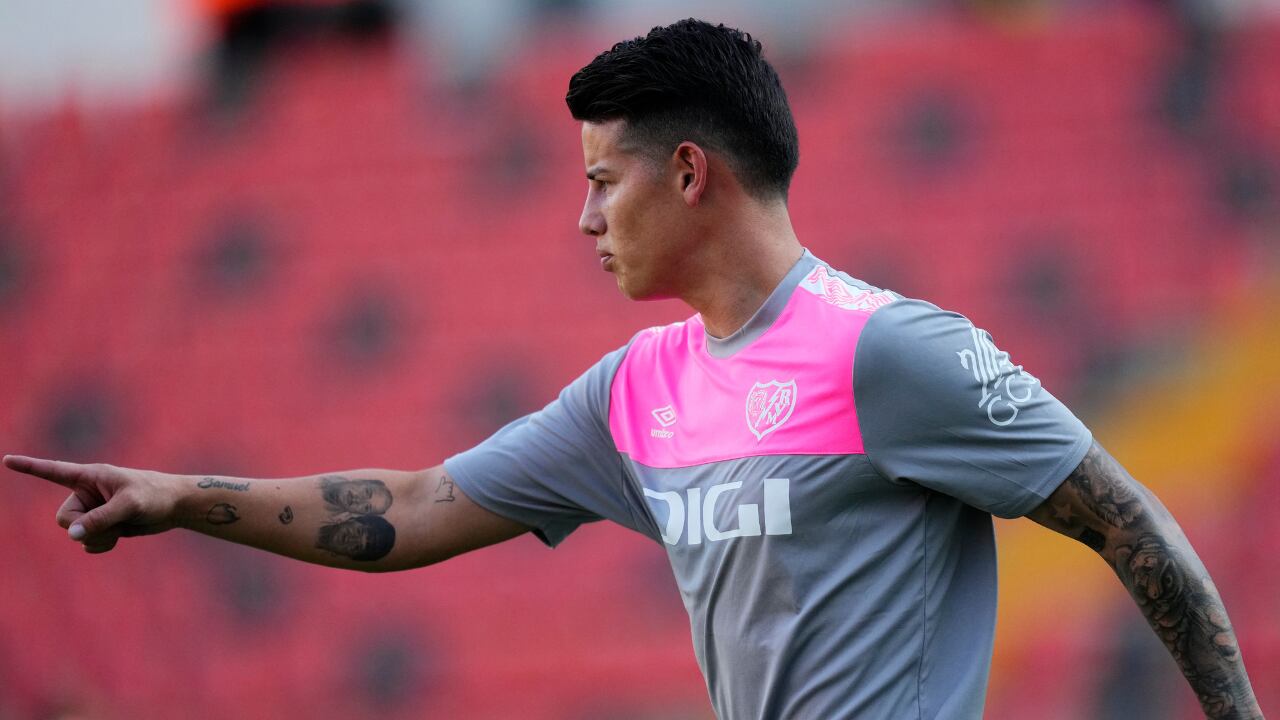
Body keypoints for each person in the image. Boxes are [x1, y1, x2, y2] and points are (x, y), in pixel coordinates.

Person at [4, 18, 1263, 720]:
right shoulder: (633, 393)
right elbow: (417, 505)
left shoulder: (893, 353)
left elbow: (1125, 520)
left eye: (601, 181)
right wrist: (177, 498)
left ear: (688, 174)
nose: (584, 217)